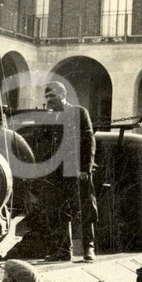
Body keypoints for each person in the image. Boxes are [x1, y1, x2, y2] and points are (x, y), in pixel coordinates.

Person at [39, 81, 98, 262]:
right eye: (47, 97)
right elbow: (44, 145)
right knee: (59, 210)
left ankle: (89, 248)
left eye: (52, 96)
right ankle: (64, 250)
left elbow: (89, 141)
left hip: (77, 170)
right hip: (56, 172)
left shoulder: (79, 112)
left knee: (85, 209)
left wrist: (85, 168)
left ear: (63, 95)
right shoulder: (48, 117)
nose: (49, 100)